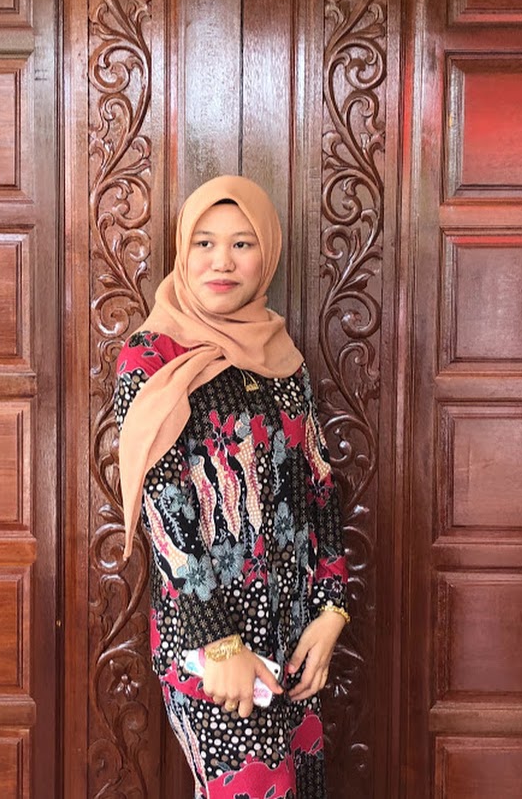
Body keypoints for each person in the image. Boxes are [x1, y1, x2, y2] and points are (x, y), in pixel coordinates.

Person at [114, 175, 349, 799]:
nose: (222, 261)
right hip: (210, 642)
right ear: (183, 252)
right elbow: (165, 513)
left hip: (295, 634)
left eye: (242, 244)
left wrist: (332, 610)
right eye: (205, 243)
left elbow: (319, 488)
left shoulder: (283, 360)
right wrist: (220, 644)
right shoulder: (151, 358)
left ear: (265, 256)